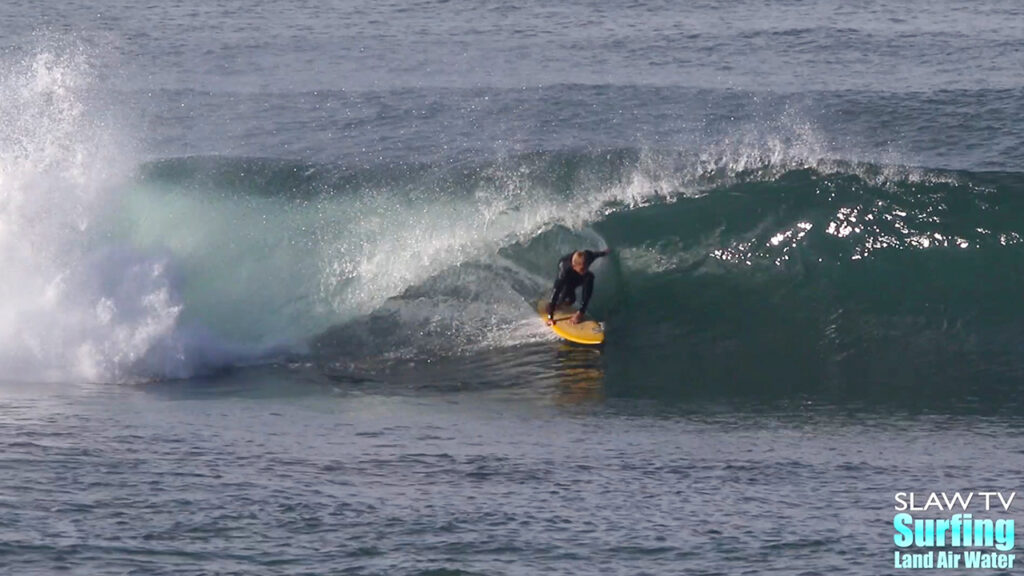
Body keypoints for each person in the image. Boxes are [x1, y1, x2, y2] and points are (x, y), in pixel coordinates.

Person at [545, 248, 610, 325]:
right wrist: (550, 317)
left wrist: (604, 253)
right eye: (582, 269)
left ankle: (581, 312)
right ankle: (556, 304)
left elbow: (595, 254)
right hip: (568, 278)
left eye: (586, 267)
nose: (585, 270)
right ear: (574, 266)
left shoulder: (587, 258)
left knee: (589, 277)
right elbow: (556, 290)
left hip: (577, 276)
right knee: (569, 299)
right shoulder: (563, 269)